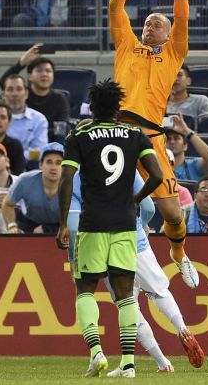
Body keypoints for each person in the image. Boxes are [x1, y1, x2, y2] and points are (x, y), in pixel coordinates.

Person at [56, 79, 164, 378]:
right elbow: (156, 175)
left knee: (85, 289)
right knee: (125, 293)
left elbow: (66, 179)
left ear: (91, 106)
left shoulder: (79, 134)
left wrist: (64, 222)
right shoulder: (134, 134)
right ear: (119, 107)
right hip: (125, 224)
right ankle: (128, 364)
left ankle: (96, 353)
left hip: (93, 223)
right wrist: (136, 199)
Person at [109, 0, 199, 288]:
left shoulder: (174, 53)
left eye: (157, 24)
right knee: (113, 205)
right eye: (147, 22)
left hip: (151, 137)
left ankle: (178, 254)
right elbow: (116, 6)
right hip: (118, 134)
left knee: (174, 215)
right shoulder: (126, 46)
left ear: (167, 34)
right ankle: (128, 260)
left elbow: (182, 18)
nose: (150, 26)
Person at [67, 170, 205, 372]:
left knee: (127, 305)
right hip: (134, 237)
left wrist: (73, 256)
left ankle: (161, 362)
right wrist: (144, 224)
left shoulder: (79, 176)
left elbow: (72, 224)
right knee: (159, 291)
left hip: (101, 244)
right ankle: (182, 329)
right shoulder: (126, 163)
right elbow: (148, 206)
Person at [0, 45, 70, 142]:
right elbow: (5, 83)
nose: (44, 74)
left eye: (48, 71)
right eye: (39, 70)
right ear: (30, 76)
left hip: (51, 144)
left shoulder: (60, 98)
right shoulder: (22, 94)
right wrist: (21, 63)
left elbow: (61, 129)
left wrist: (38, 132)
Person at [0, 75, 48, 161]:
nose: (15, 94)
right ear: (3, 95)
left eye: (19, 89)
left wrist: (15, 154)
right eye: (10, 89)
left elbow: (39, 153)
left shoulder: (39, 119)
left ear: (26, 93)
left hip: (27, 168)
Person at [2, 142, 64, 233]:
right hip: (29, 224)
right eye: (49, 162)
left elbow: (82, 214)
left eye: (58, 163)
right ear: (41, 165)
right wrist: (12, 226)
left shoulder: (74, 185)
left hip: (62, 226)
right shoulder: (25, 180)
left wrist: (47, 229)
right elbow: (7, 204)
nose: (53, 167)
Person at [166, 116, 208, 182]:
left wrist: (186, 131)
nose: (172, 142)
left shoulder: (194, 165)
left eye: (176, 138)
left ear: (185, 146)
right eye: (168, 139)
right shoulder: (158, 166)